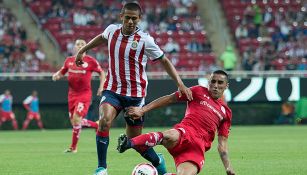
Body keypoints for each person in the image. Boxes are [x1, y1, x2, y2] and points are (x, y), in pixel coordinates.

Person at [74, 2, 192, 175]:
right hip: (112, 90)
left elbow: (164, 60)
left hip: (135, 96)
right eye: (127, 17)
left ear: (139, 19)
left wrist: (180, 83)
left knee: (135, 141)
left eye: (134, 18)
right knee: (104, 121)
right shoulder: (112, 30)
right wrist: (83, 50)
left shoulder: (145, 40)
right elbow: (101, 37)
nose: (130, 21)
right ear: (121, 16)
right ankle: (101, 168)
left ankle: (158, 161)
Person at [118, 70, 236, 175]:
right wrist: (143, 110)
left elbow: (222, 145)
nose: (215, 86)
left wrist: (228, 167)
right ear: (209, 82)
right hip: (185, 132)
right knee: (169, 135)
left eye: (220, 83)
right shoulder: (198, 91)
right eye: (213, 81)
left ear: (227, 85)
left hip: (197, 148)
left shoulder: (226, 112)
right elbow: (170, 98)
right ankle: (128, 143)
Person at [52, 39, 105, 153]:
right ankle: (95, 126)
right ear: (74, 47)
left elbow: (101, 72)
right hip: (71, 95)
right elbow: (62, 72)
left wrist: (101, 87)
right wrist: (57, 75)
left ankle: (73, 147)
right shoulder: (69, 61)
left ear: (87, 47)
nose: (80, 46)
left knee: (77, 119)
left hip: (84, 94)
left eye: (82, 44)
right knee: (75, 122)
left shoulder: (91, 61)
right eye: (78, 44)